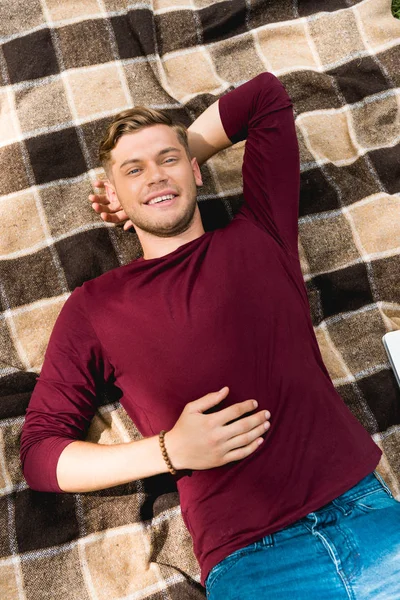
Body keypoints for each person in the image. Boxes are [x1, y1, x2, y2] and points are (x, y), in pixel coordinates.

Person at [20, 72, 400, 599]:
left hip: (368, 513)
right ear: (109, 195)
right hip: (252, 560)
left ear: (198, 171)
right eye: (134, 170)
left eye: (168, 160)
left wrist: (164, 164)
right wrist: (170, 451)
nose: (155, 175)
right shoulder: (93, 308)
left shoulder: (262, 232)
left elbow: (264, 97)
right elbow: (40, 454)